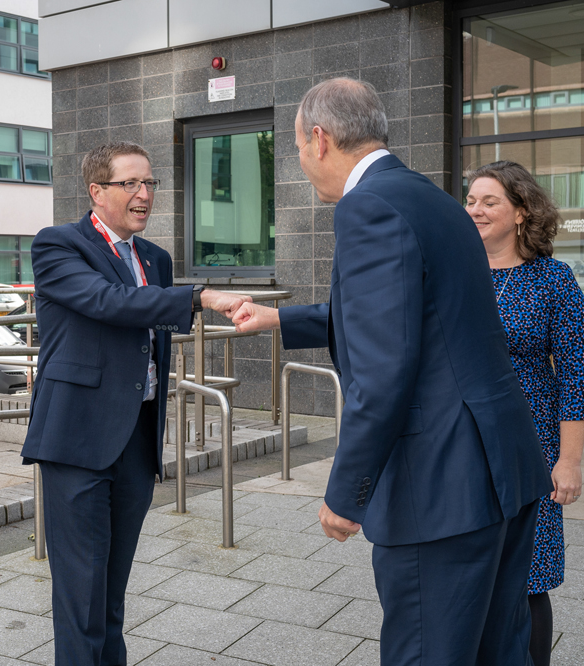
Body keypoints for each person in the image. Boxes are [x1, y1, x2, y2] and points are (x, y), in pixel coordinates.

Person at [232, 78, 553, 666]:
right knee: (498, 652)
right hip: (502, 467)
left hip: (441, 486)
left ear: (320, 139)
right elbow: (415, 318)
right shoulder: (431, 199)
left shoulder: (367, 207)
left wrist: (346, 491)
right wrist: (283, 319)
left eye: (298, 148)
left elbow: (384, 368)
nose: (302, 164)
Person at [23, 141, 250, 666]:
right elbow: (107, 301)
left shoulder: (156, 258)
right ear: (96, 191)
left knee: (111, 596)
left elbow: (152, 333)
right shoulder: (59, 246)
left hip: (136, 438)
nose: (144, 195)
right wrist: (200, 297)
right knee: (81, 599)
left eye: (150, 183)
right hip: (78, 440)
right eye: (131, 184)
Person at [465, 161, 584, 666]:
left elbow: (575, 379)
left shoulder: (553, 281)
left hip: (530, 450)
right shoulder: (457, 274)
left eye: (489, 201)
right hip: (463, 444)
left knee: (528, 578)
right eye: (471, 200)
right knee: (469, 575)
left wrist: (570, 461)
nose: (475, 210)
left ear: (521, 212)